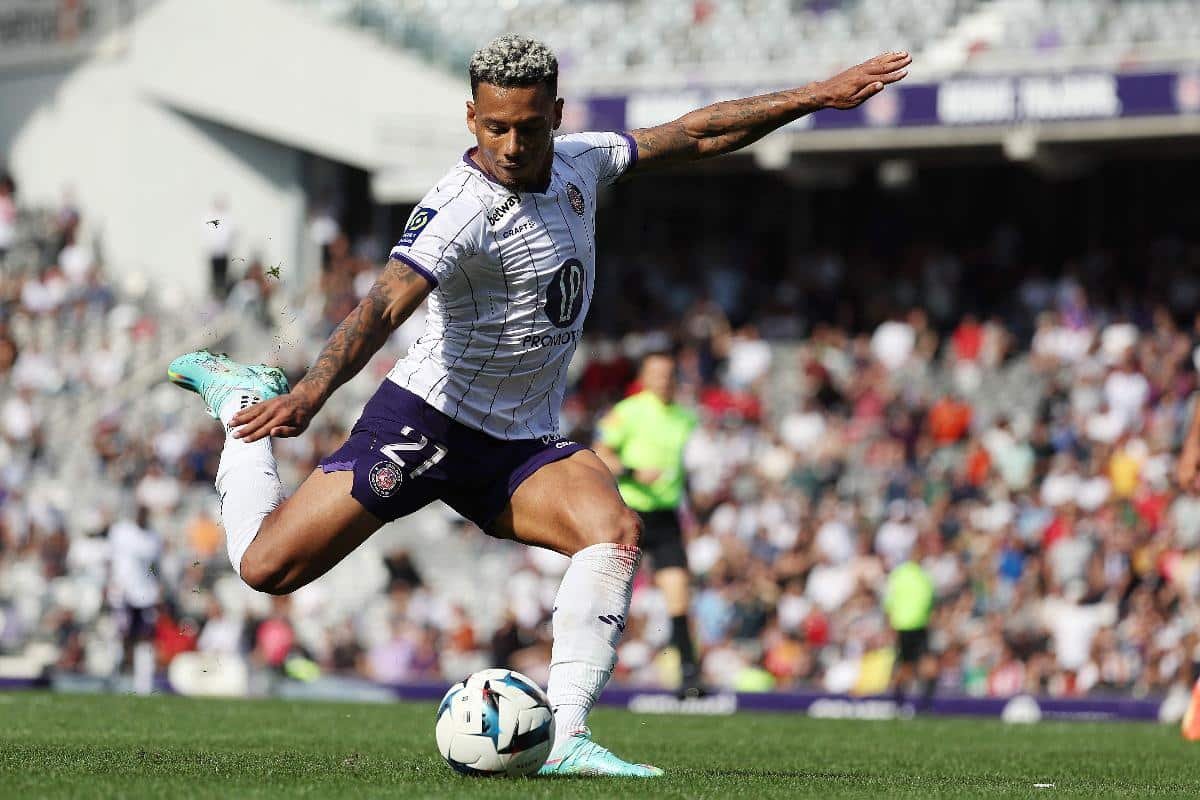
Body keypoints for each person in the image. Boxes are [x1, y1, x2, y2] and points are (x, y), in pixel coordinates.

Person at [166, 35, 910, 777]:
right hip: (427, 421)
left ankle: (566, 736)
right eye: (495, 127)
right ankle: (241, 402)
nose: (513, 145)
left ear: (556, 113)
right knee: (267, 568)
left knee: (614, 531)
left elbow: (696, 134)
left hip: (521, 441)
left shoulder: (583, 161)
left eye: (529, 127)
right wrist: (308, 392)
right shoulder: (459, 207)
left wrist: (817, 95)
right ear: (471, 117)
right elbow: (385, 304)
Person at [593, 351, 704, 698]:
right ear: (644, 377)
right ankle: (591, 666)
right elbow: (600, 453)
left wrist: (695, 513)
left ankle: (688, 675)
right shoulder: (627, 412)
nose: (664, 380)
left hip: (667, 517)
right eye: (657, 373)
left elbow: (687, 468)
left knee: (678, 595)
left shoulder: (686, 418)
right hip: (630, 515)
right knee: (610, 595)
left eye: (669, 374)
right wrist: (633, 471)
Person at [883, 539, 937, 712]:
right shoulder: (910, 575)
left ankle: (914, 704)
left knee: (919, 665)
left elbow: (889, 603)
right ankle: (904, 703)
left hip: (912, 626)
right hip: (910, 626)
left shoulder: (916, 576)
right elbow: (889, 602)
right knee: (910, 666)